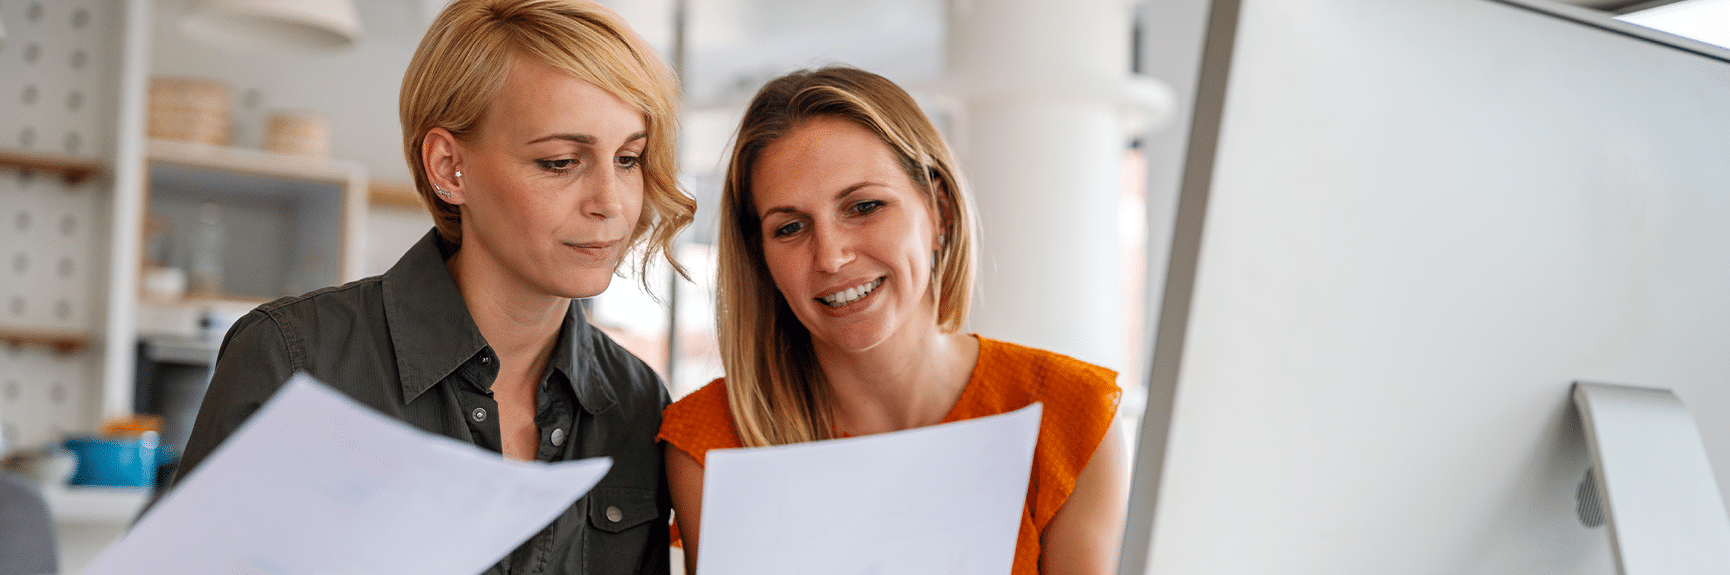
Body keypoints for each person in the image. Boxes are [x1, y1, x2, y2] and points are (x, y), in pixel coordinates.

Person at [169, 1, 691, 573]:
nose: (610, 203)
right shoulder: (294, 359)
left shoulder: (640, 402)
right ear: (447, 166)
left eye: (628, 159)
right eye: (561, 162)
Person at [658, 67, 1130, 575]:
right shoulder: (710, 443)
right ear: (762, 259)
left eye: (864, 206)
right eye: (790, 227)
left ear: (940, 212)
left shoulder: (1069, 416)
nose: (831, 257)